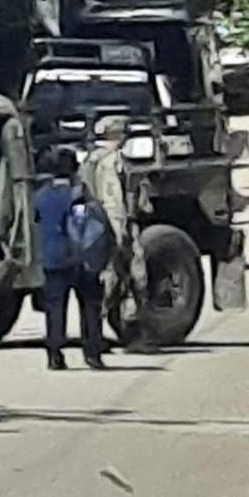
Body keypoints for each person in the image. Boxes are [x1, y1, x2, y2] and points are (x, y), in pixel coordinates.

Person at [81, 116, 156, 353]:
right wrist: (121, 233)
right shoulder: (111, 162)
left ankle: (95, 335)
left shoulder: (89, 161)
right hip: (114, 229)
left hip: (94, 229)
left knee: (107, 284)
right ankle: (132, 338)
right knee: (133, 280)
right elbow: (113, 200)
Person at [34, 147, 106, 370]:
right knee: (90, 305)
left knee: (55, 308)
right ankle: (92, 352)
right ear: (74, 169)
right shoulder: (78, 194)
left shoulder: (41, 196)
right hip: (77, 258)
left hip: (51, 258)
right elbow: (81, 224)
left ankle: (55, 353)